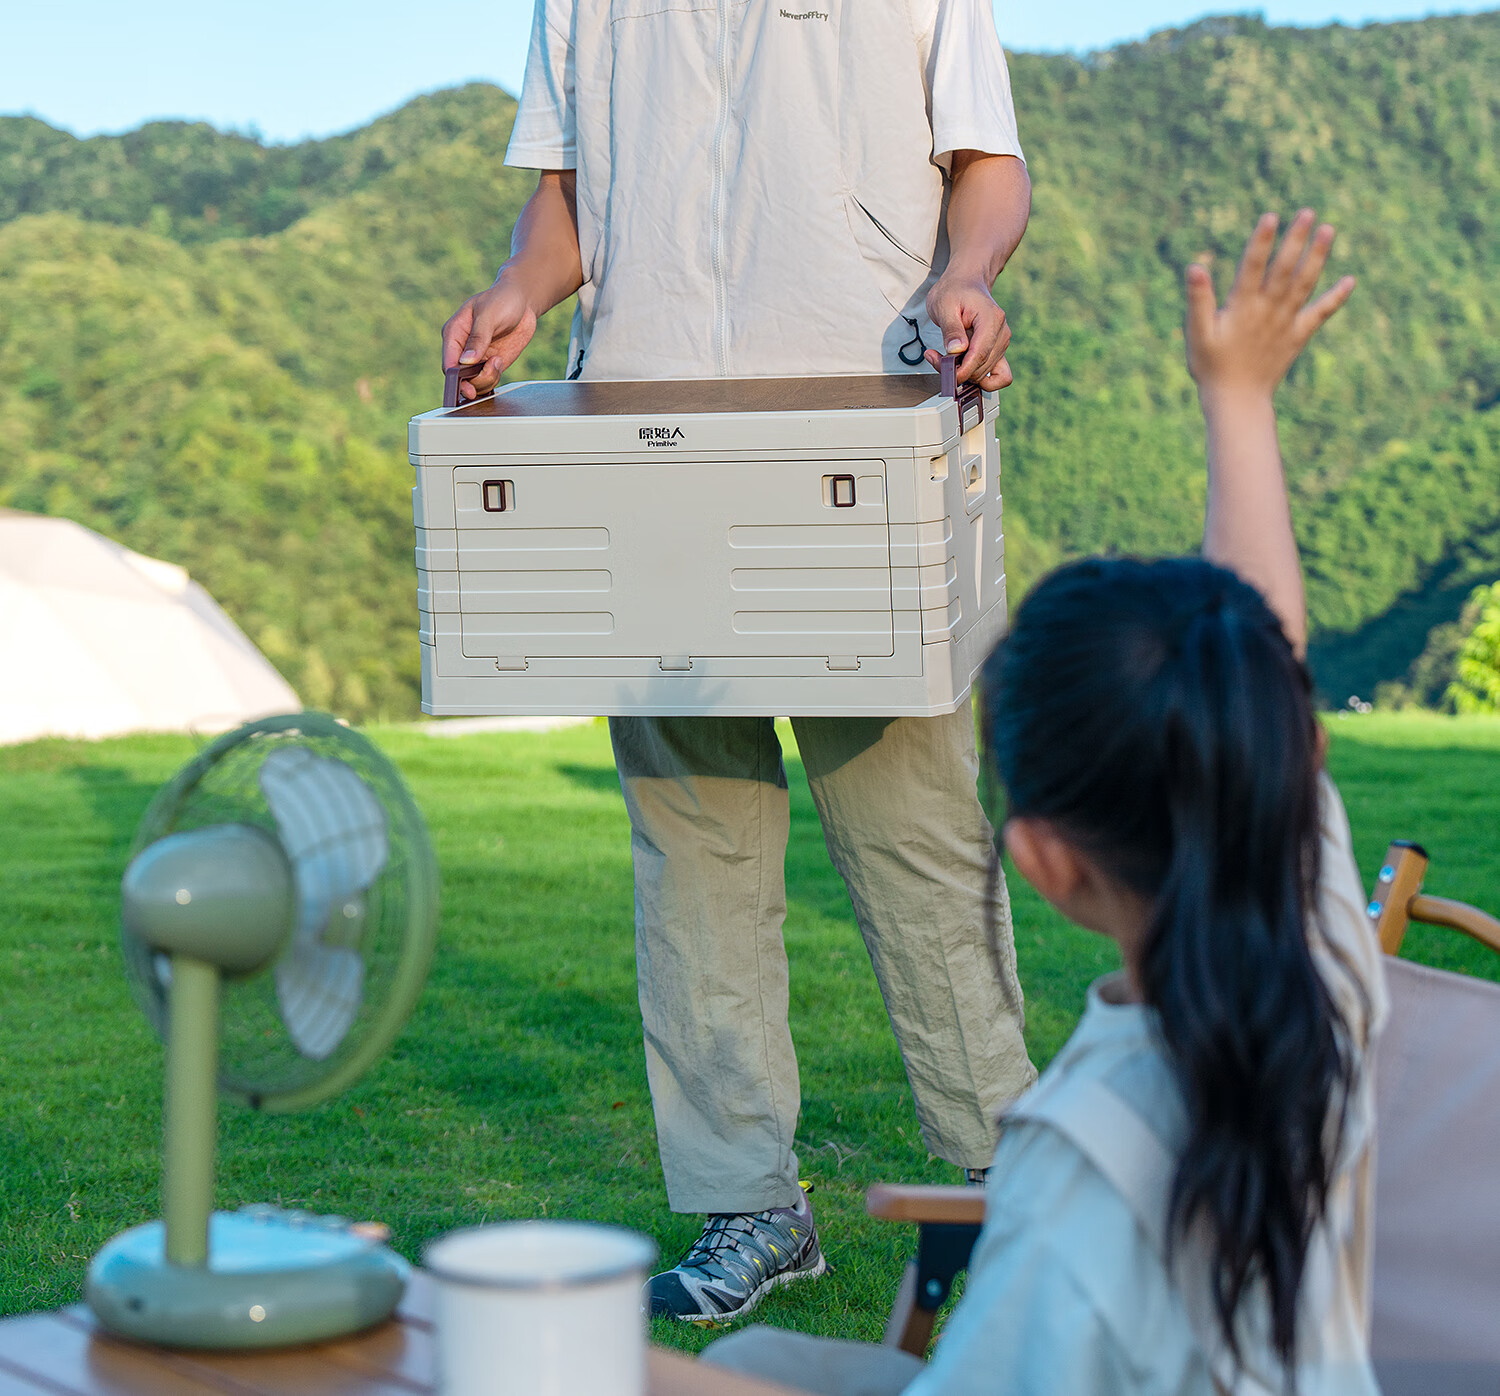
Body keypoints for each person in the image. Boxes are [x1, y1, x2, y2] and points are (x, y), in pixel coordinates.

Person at [701, 212, 1385, 1394]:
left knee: (734, 1367)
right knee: (762, 1354)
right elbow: (1255, 670)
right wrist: (1240, 396)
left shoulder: (1087, 1164)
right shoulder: (1320, 979)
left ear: (1044, 862)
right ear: (1284, 752)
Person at [441, 1, 1039, 1322]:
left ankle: (1004, 1180)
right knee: (691, 838)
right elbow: (567, 201)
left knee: (915, 832)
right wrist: (520, 290)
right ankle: (750, 1204)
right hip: (641, 430)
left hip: (863, 426)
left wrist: (971, 272)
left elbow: (987, 164)